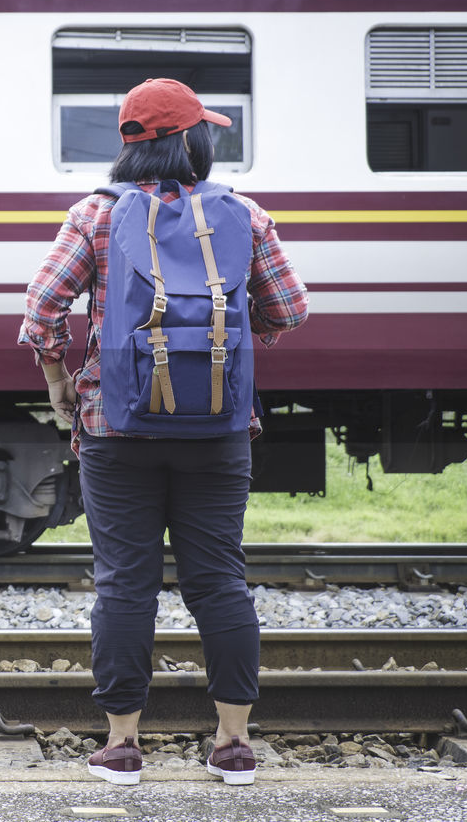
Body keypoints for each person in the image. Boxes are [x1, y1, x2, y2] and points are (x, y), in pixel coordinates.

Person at [18, 78, 308, 786]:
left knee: (125, 584)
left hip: (114, 426)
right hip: (218, 429)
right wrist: (233, 329)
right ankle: (233, 745)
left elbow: (41, 310)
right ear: (193, 141)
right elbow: (290, 309)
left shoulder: (94, 214)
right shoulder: (244, 213)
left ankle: (122, 747)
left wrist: (59, 379)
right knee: (219, 582)